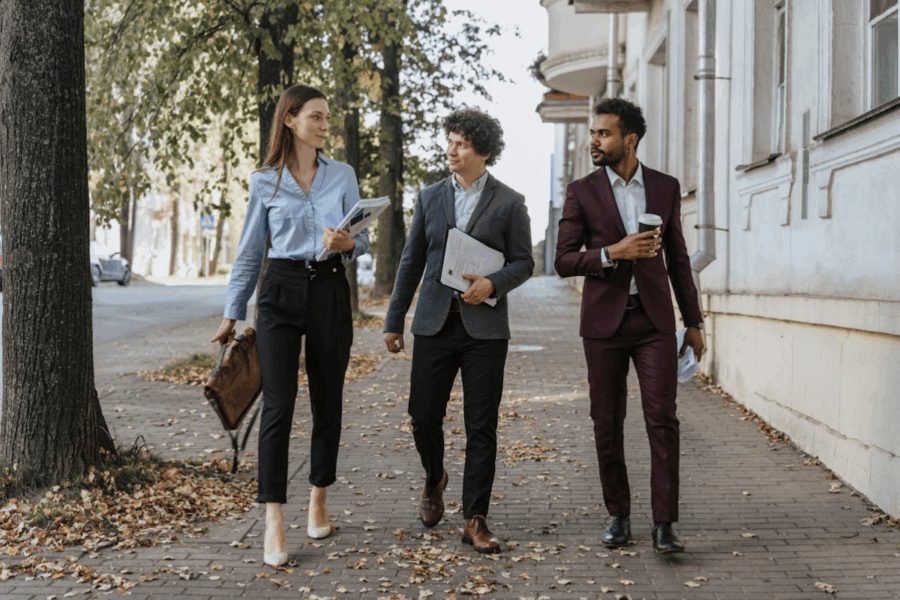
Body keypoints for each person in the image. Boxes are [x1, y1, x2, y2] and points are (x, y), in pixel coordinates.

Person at [211, 84, 369, 567]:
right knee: (278, 404)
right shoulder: (264, 181)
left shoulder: (342, 174)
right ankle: (274, 515)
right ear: (290, 120)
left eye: (327, 118)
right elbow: (250, 251)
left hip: (328, 288)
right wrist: (232, 312)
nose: (325, 125)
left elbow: (359, 240)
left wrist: (349, 245)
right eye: (317, 117)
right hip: (278, 290)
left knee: (328, 397)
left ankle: (319, 496)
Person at [555, 98, 704, 554]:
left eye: (603, 134)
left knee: (663, 420)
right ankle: (618, 515)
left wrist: (693, 322)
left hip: (654, 322)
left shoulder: (664, 187)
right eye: (592, 133)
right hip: (603, 324)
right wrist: (610, 253)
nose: (593, 141)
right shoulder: (582, 191)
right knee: (608, 421)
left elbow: (678, 260)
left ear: (630, 140)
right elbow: (561, 260)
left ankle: (664, 524)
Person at [383, 108, 533, 554]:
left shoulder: (510, 202)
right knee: (423, 415)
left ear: (483, 151)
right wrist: (395, 320)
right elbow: (411, 261)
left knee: (481, 426)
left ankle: (475, 518)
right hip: (433, 323)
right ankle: (434, 476)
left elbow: (524, 261)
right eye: (449, 141)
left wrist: (494, 283)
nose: (452, 149)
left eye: (462, 143)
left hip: (485, 330)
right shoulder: (429, 197)